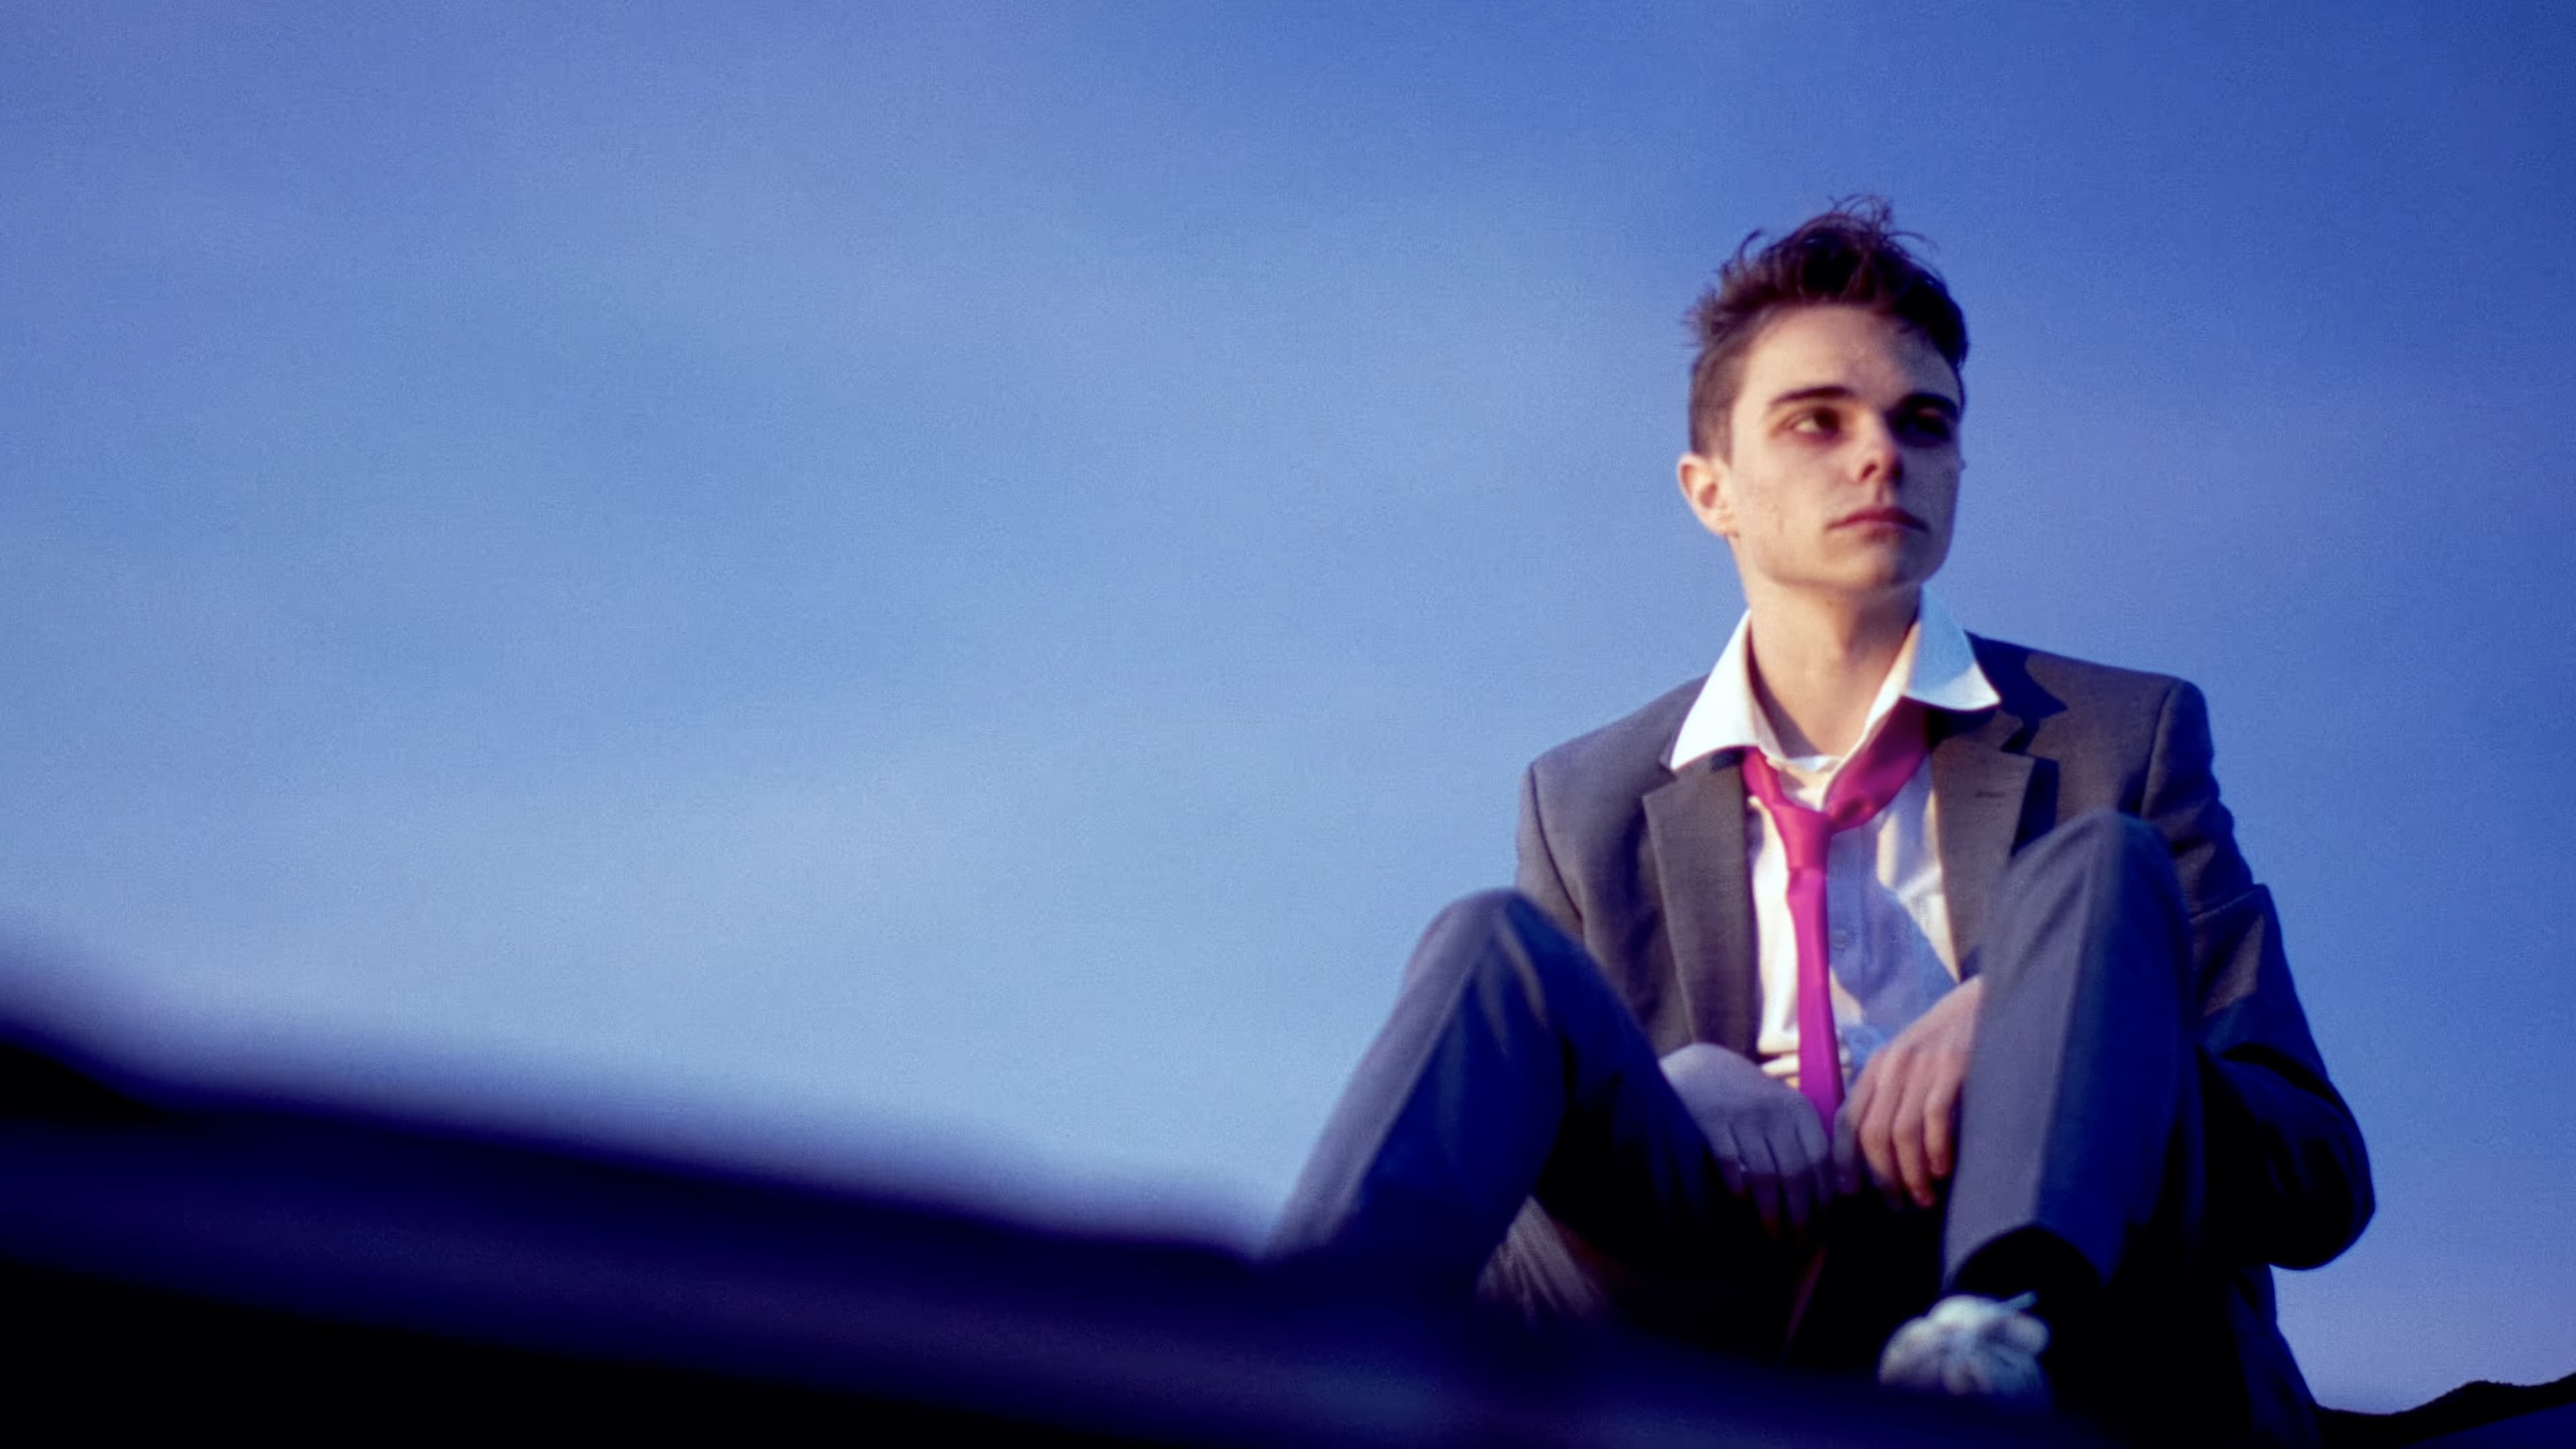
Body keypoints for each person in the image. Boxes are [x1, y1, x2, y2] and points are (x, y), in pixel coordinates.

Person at [1269, 199, 2372, 1443]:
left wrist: (2050, 1023)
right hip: (1708, 1298)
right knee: (1491, 950)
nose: (1881, 456)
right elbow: (1559, 1150)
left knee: (2103, 872)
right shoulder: (1583, 797)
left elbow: (2317, 1177)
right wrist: (1677, 1080)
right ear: (1712, 491)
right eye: (1817, 421)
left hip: (2060, 1331)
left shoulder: (2124, 735)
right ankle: (1283, 1370)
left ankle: (1993, 1334)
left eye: (1924, 423)